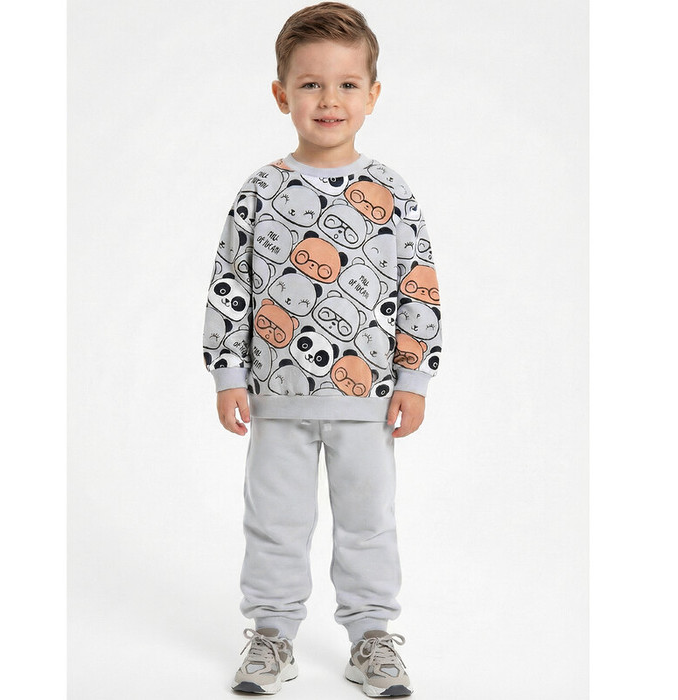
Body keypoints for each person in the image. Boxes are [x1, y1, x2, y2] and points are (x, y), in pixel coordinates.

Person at [203, 3, 442, 695]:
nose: (329, 100)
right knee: (275, 525)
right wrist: (228, 373)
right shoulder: (261, 191)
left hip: (368, 402)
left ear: (372, 94)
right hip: (276, 400)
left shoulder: (390, 193)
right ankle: (272, 635)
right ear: (283, 95)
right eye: (310, 84)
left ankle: (372, 638)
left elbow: (418, 286)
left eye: (345, 84)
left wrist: (414, 380)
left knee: (368, 525)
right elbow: (231, 285)